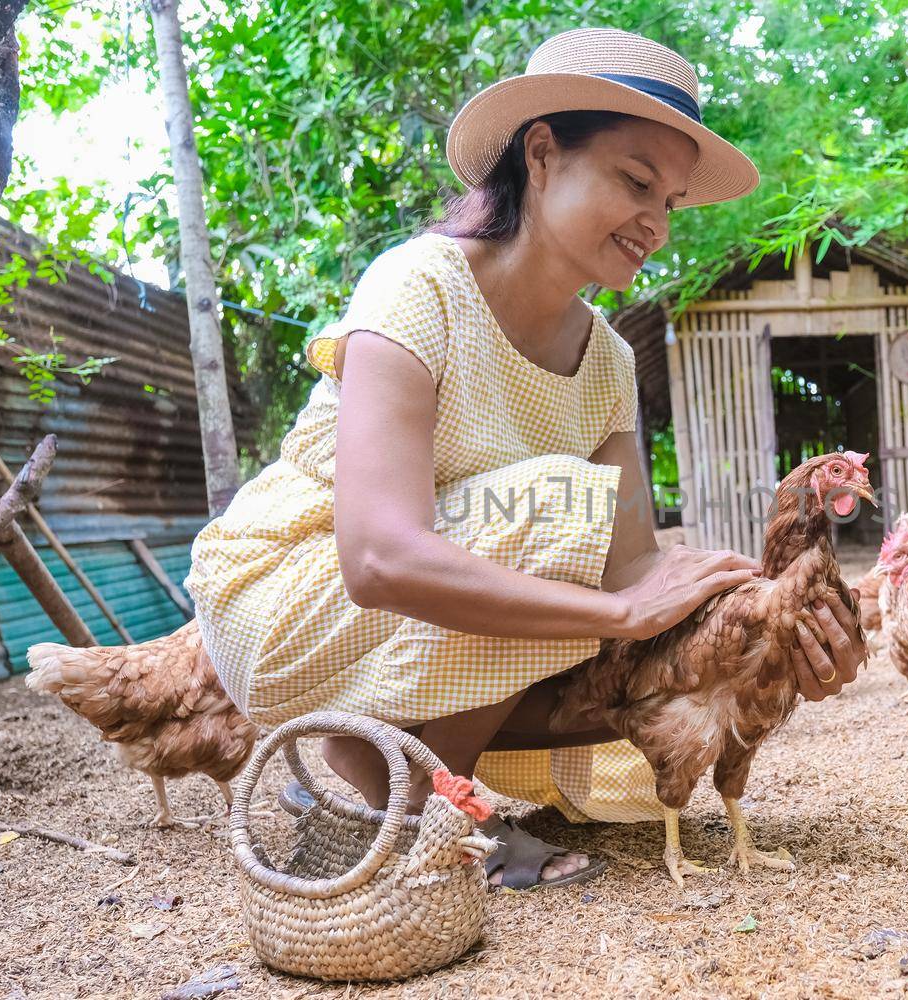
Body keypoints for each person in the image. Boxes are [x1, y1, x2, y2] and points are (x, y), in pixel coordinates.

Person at [185, 27, 864, 891]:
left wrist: (776, 640)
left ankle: (396, 769)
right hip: (290, 593)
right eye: (635, 181)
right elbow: (378, 555)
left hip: (422, 616)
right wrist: (620, 614)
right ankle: (401, 808)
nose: (656, 221)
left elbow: (635, 574)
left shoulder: (609, 362)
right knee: (564, 512)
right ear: (541, 154)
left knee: (653, 673)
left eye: (673, 201)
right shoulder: (419, 285)